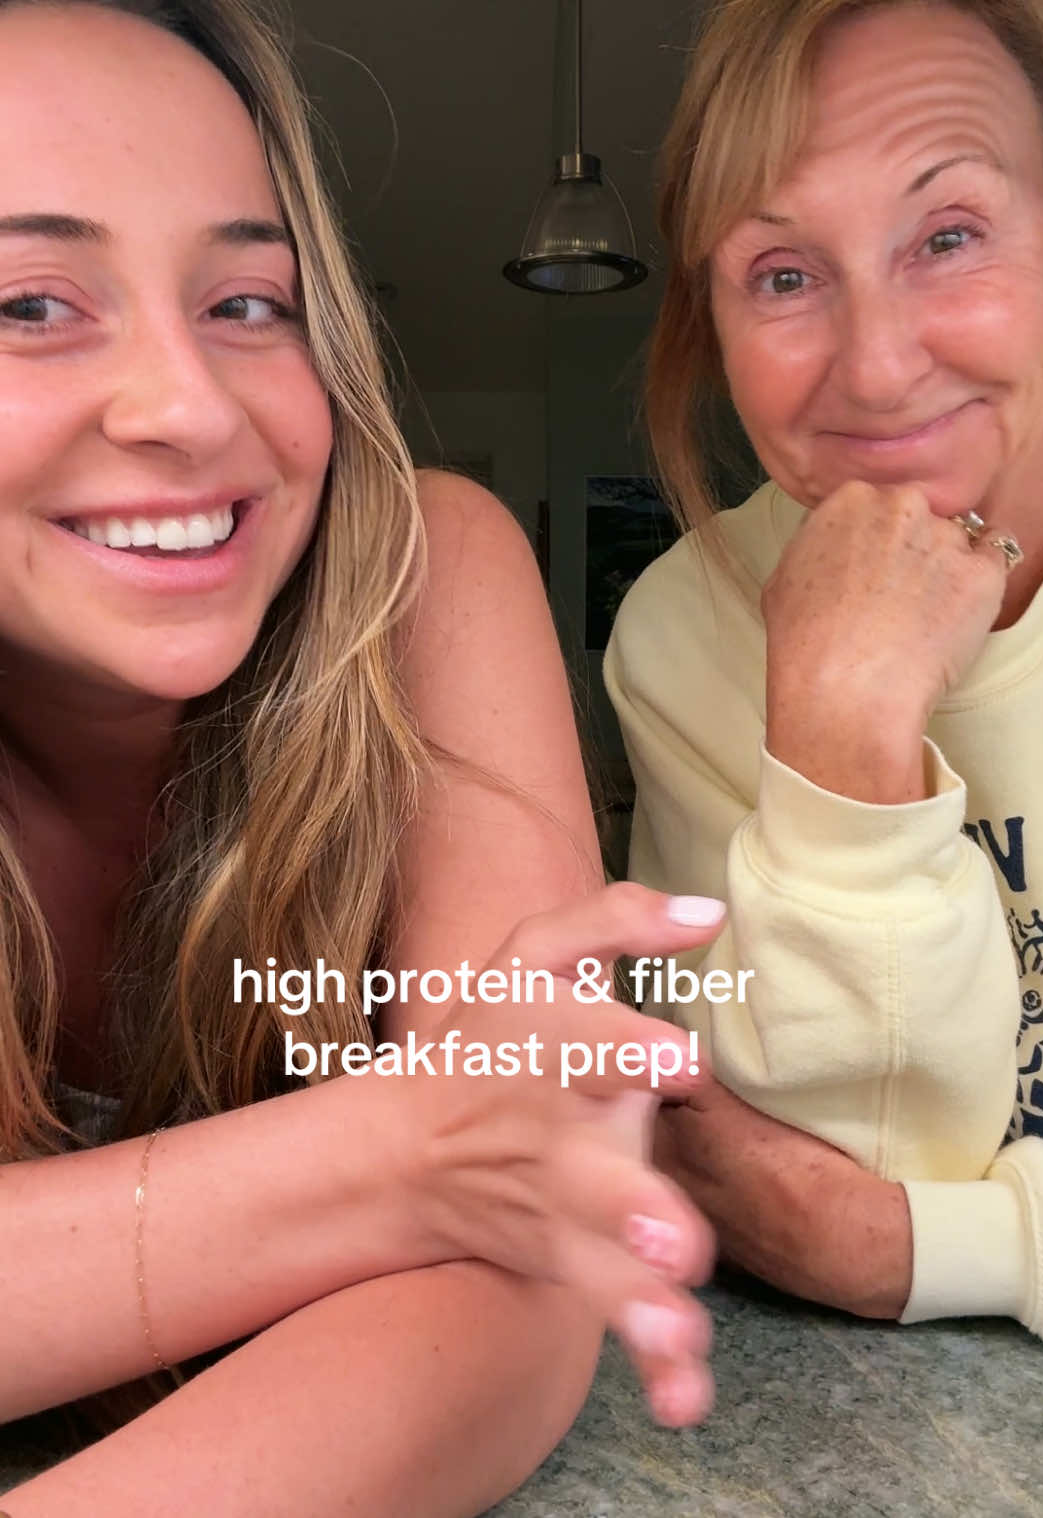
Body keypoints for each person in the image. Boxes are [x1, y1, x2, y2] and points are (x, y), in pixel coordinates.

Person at [0, 1, 726, 1510]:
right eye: (29, 305)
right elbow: (478, 1155)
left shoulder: (422, 570)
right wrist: (395, 1153)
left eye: (247, 302)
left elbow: (522, 1237)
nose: (188, 404)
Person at [605, 0, 1043, 1343]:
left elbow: (853, 1223)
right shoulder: (686, 634)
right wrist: (844, 730)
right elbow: (812, 1164)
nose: (878, 369)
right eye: (785, 276)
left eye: (950, 236)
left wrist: (928, 1248)